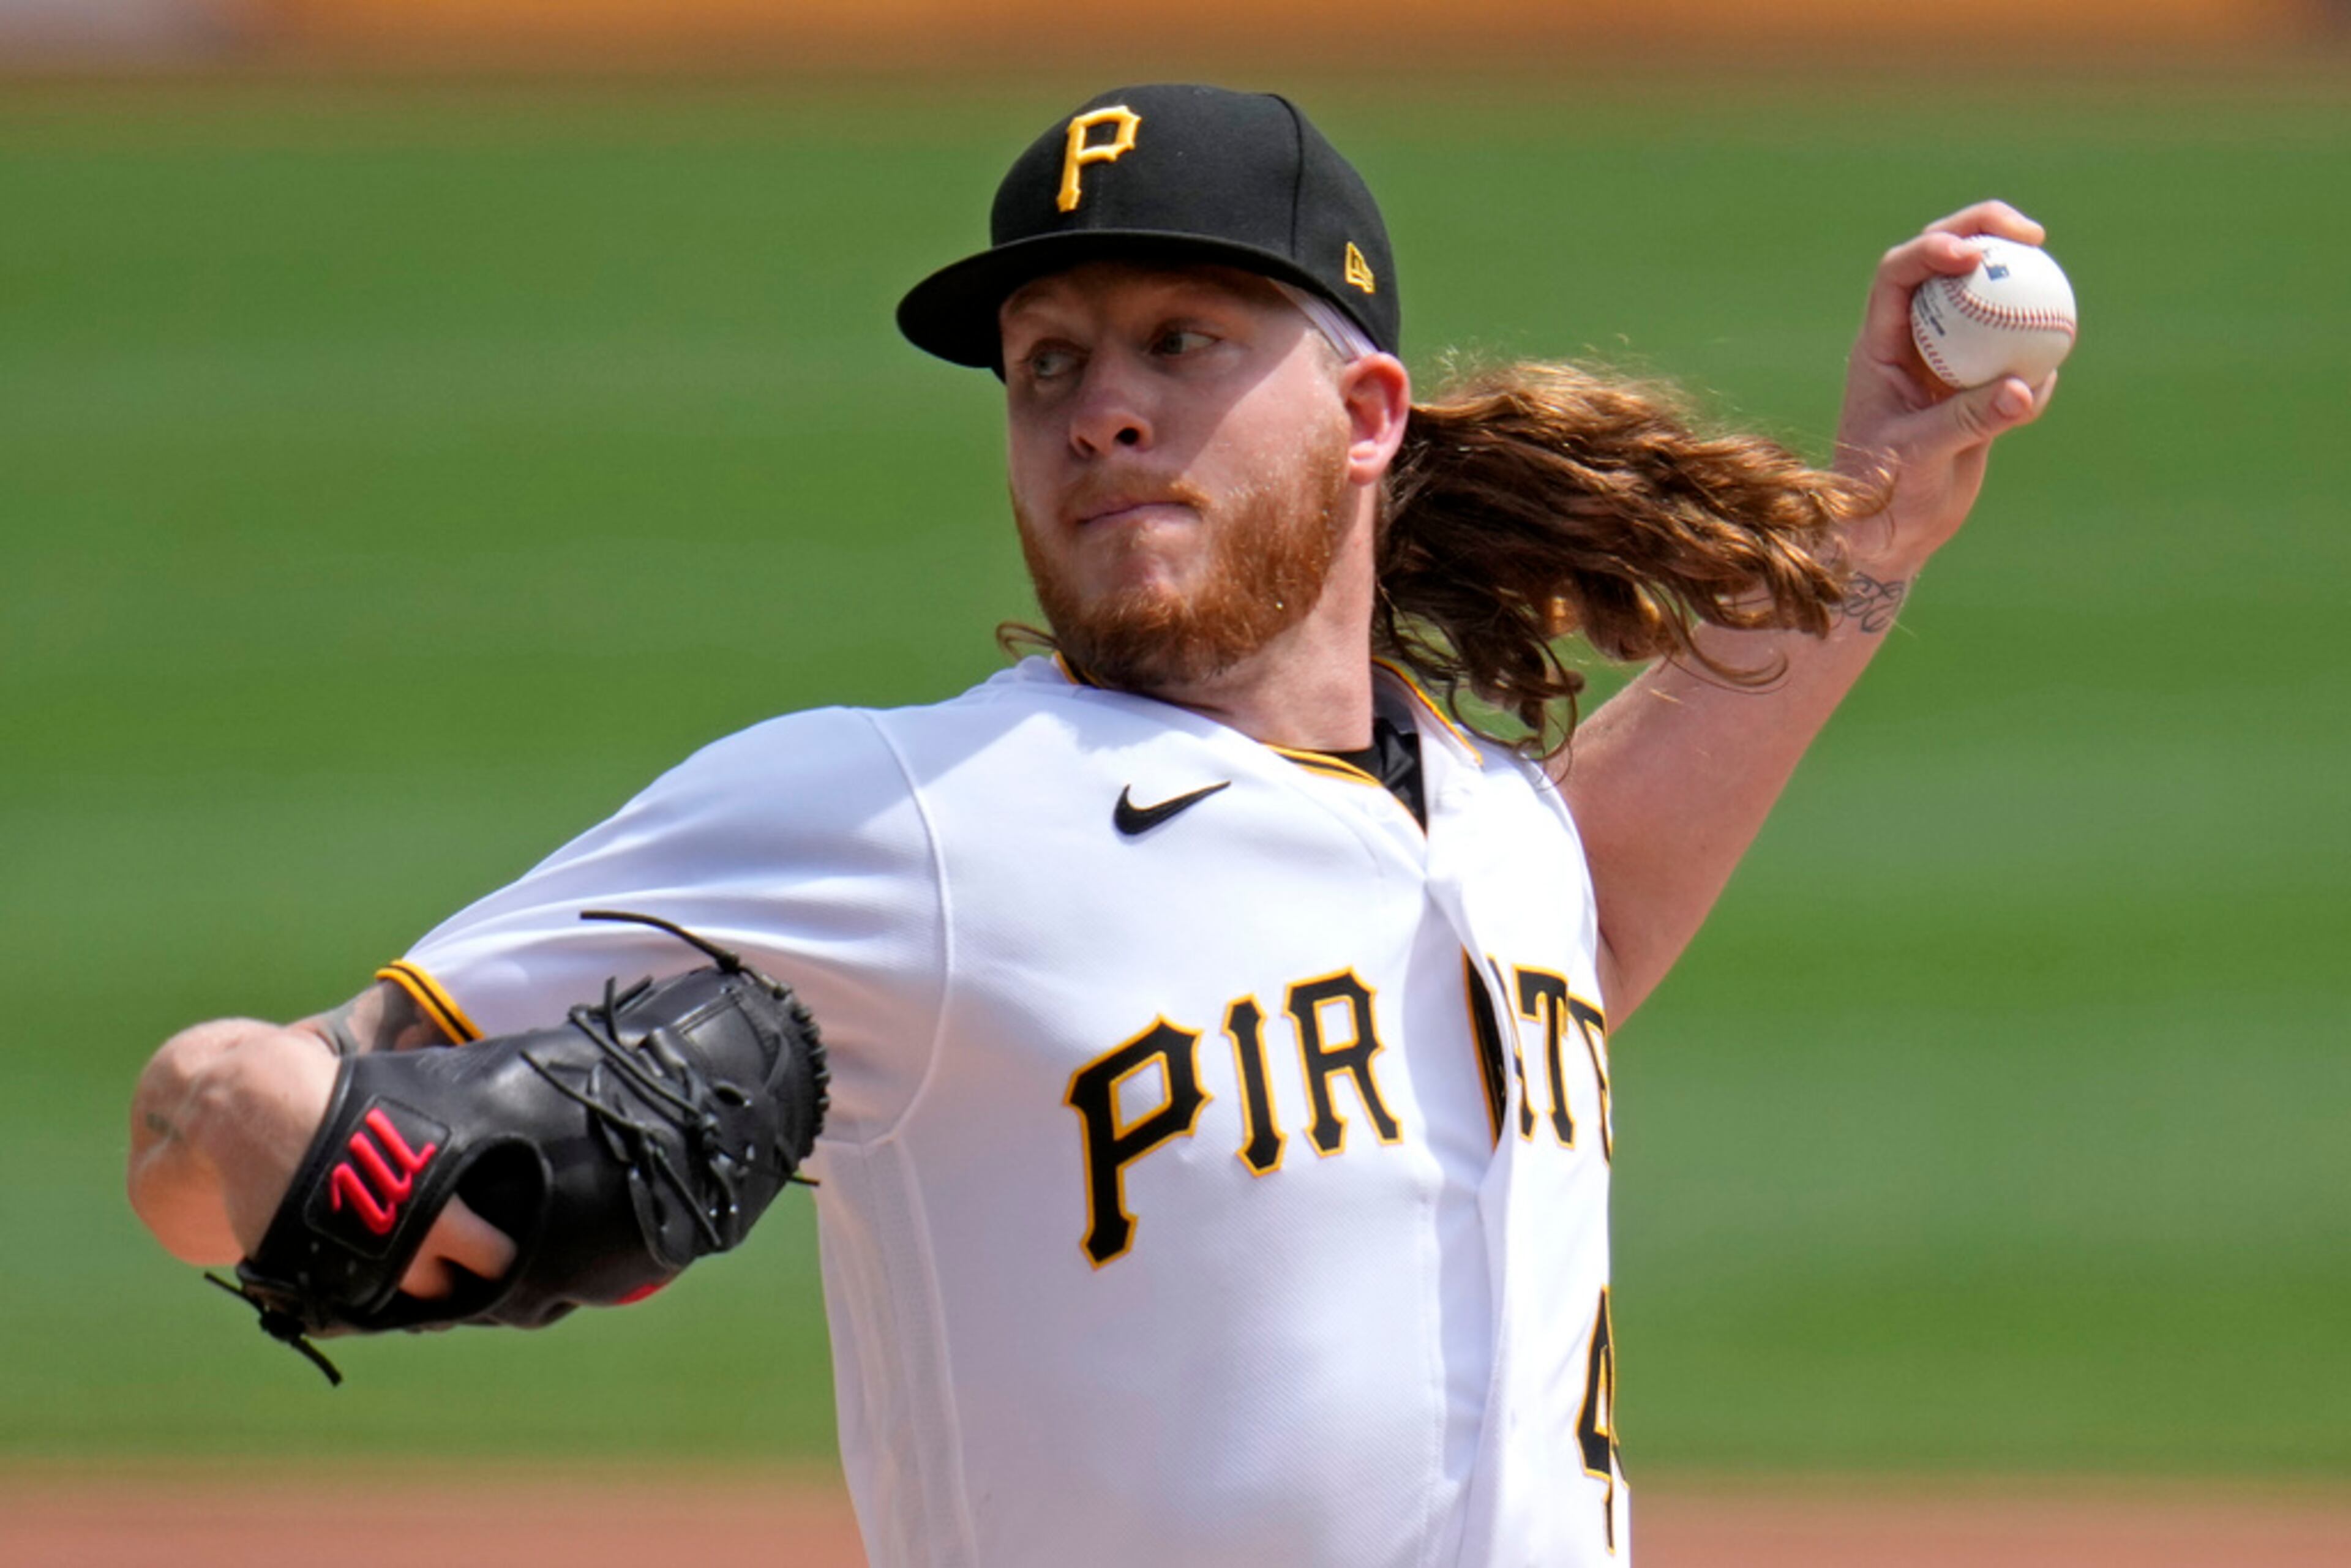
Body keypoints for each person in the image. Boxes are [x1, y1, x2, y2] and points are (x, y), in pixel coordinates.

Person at [126, 83, 2056, 1566]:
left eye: (1180, 344)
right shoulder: (906, 814)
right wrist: (373, 1162)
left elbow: (1593, 920)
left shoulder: (1482, 828)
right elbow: (201, 1127)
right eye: (1049, 362)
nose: (1098, 411)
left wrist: (1875, 514)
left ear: (1368, 410)